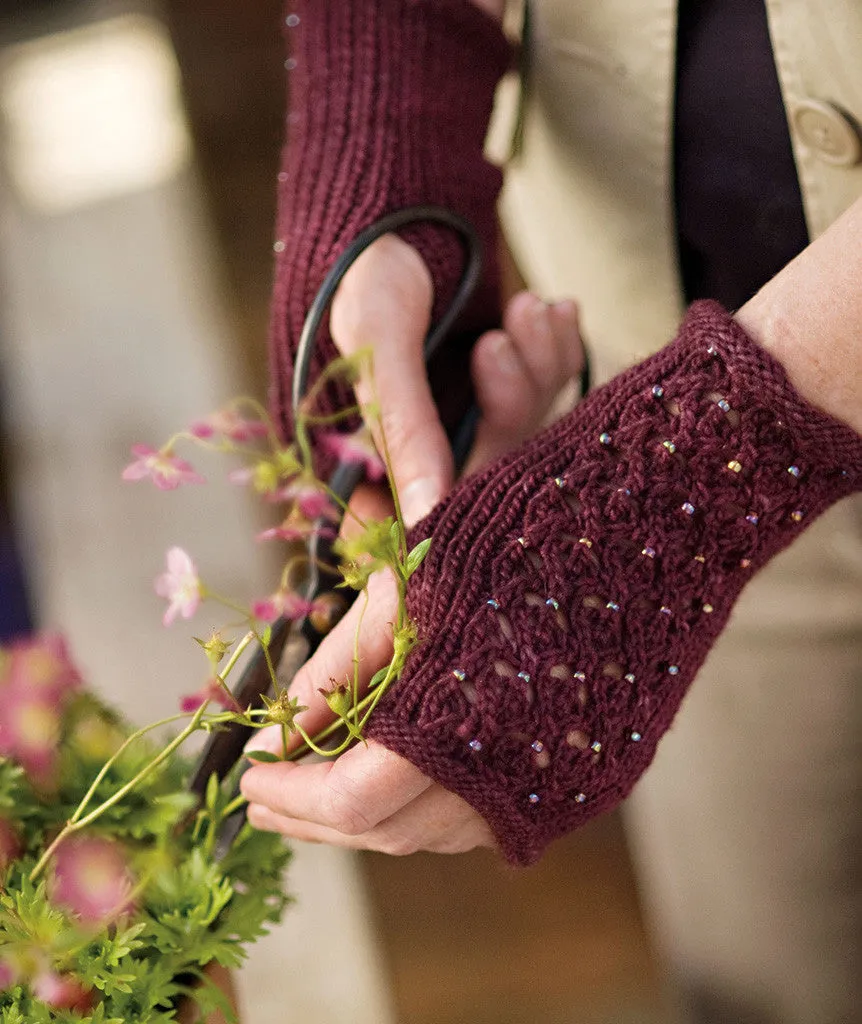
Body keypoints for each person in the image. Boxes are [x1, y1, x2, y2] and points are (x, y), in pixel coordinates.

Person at [241, 2, 862, 1021]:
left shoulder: (649, 504)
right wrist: (381, 129)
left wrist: (666, 496)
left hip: (674, 479)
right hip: (683, 473)